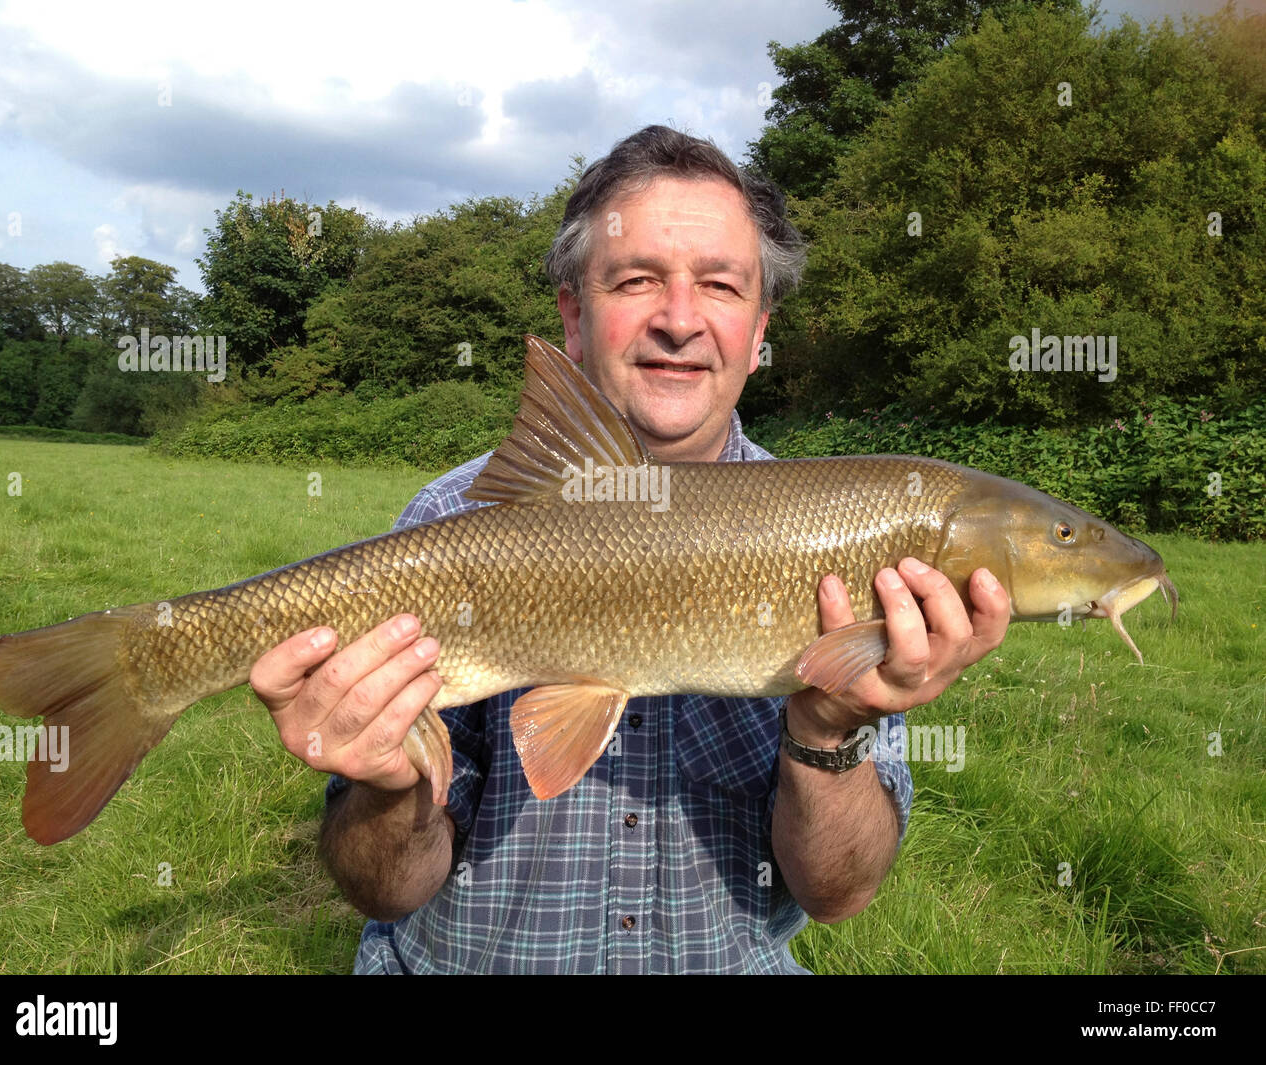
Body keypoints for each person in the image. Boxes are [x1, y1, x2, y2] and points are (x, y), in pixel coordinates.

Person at [250, 125, 1011, 974]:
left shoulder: (848, 532)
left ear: (760, 331)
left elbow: (835, 894)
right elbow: (384, 888)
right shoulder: (451, 517)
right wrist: (389, 787)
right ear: (575, 316)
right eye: (637, 279)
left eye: (720, 285)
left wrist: (829, 726)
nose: (679, 321)